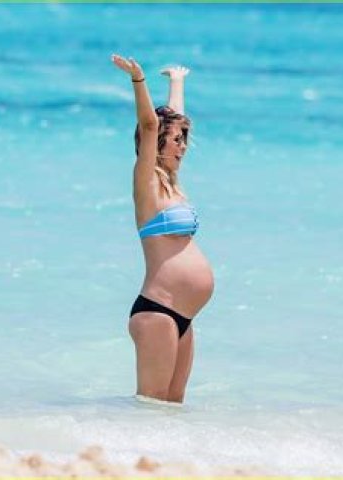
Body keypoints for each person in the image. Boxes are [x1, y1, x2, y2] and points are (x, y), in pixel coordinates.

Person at [111, 54, 214, 403]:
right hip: (157, 310)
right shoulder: (147, 184)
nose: (182, 146)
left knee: (173, 404)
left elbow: (172, 120)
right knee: (151, 403)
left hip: (183, 315)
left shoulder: (173, 183)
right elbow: (150, 125)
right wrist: (138, 80)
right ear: (156, 144)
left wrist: (177, 82)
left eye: (184, 139)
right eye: (176, 140)